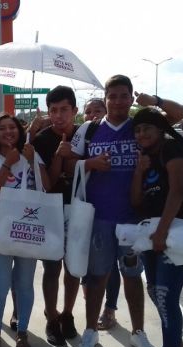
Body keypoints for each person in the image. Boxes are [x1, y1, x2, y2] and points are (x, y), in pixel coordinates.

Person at [67, 75, 183, 347]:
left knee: (132, 276)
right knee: (97, 277)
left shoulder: (141, 128)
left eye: (124, 96)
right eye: (113, 96)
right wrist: (90, 163)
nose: (118, 101)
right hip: (98, 217)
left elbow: (179, 114)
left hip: (134, 219)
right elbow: (68, 164)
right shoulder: (89, 129)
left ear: (132, 98)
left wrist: (154, 101)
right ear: (105, 99)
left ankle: (138, 333)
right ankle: (91, 331)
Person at [130, 107, 183, 347]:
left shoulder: (171, 149)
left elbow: (177, 191)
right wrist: (139, 171)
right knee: (155, 291)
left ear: (160, 129)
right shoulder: (146, 156)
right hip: (153, 235)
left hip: (175, 235)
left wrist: (163, 232)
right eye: (137, 130)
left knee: (166, 296)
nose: (142, 134)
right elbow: (136, 201)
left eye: (147, 128)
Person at [0, 114, 49, 347]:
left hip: (27, 229)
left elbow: (47, 186)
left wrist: (32, 161)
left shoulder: (31, 153)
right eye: (2, 128)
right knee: (0, 284)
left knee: (25, 284)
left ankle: (23, 330)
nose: (8, 132)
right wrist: (8, 163)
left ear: (20, 131)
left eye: (12, 128)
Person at [30, 85, 81, 346]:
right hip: (51, 209)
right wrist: (60, 156)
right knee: (52, 267)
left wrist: (73, 155)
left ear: (75, 110)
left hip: (80, 208)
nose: (59, 115)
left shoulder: (86, 135)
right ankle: (51, 317)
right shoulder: (41, 140)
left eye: (64, 110)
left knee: (74, 267)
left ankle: (68, 314)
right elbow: (47, 184)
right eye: (53, 110)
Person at [79, 98, 120, 331]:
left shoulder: (116, 133)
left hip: (112, 210)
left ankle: (110, 309)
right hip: (86, 208)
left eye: (97, 110)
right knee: (86, 261)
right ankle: (92, 305)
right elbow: (71, 162)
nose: (92, 114)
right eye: (88, 111)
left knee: (110, 265)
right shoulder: (84, 133)